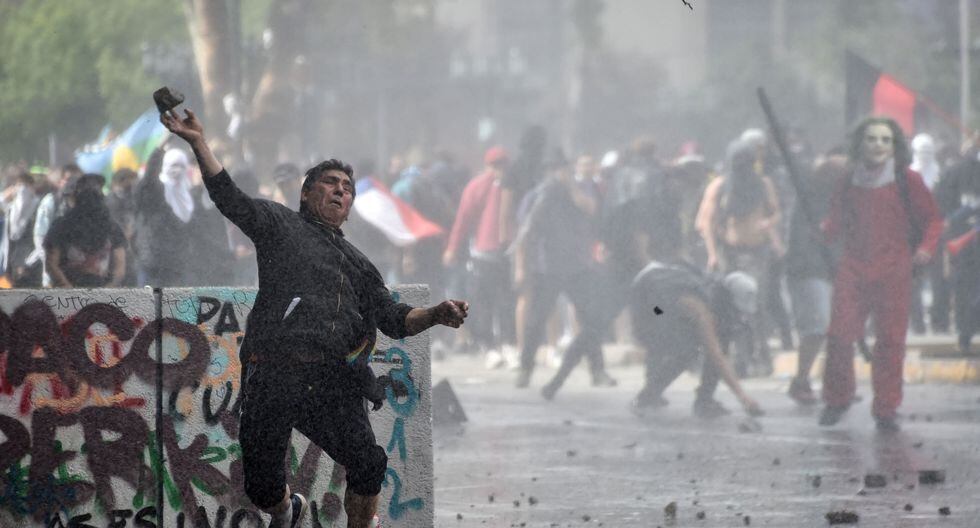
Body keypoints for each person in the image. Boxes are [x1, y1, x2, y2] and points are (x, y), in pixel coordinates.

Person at [161, 107, 468, 528]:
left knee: (368, 463)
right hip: (273, 373)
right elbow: (229, 198)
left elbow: (394, 319)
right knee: (263, 488)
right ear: (306, 193)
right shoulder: (280, 224)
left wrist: (435, 314)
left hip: (333, 380)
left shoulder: (359, 264)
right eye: (330, 183)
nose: (341, 192)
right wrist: (198, 142)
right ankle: (287, 512)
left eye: (348, 189)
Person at [818, 116, 943, 432]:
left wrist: (925, 249)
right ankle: (837, 398)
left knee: (890, 341)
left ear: (894, 146)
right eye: (872, 139)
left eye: (885, 140)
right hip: (853, 268)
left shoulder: (907, 179)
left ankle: (886, 408)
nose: (878, 145)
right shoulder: (848, 180)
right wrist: (823, 231)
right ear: (860, 143)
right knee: (839, 335)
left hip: (894, 271)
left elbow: (933, 221)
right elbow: (835, 220)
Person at [510, 150, 615, 389]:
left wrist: (570, 187)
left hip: (578, 266)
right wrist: (520, 267)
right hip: (548, 267)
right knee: (536, 321)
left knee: (590, 318)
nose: (556, 175)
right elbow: (524, 233)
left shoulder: (577, 192)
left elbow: (591, 209)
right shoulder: (537, 195)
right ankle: (525, 369)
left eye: (560, 169)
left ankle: (597, 371)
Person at [629, 260, 764, 419]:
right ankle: (647, 396)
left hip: (667, 295)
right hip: (650, 304)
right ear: (727, 300)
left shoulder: (715, 293)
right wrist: (743, 397)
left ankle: (704, 399)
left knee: (720, 335)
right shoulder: (701, 308)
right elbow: (716, 354)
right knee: (685, 350)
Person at [695, 138, 783, 377]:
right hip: (729, 255)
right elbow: (706, 223)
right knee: (732, 307)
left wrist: (768, 223)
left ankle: (760, 357)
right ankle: (737, 358)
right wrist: (713, 254)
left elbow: (775, 212)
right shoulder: (720, 186)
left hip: (757, 254)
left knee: (756, 305)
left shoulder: (763, 185)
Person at [784, 155, 843, 405]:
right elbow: (801, 238)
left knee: (836, 330)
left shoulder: (839, 200)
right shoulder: (808, 199)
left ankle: (836, 384)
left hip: (832, 270)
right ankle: (801, 380)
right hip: (809, 271)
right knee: (817, 327)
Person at [44, 175, 127, 288]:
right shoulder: (113, 227)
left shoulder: (61, 225)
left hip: (66, 298)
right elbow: (120, 268)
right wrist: (107, 292)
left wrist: (68, 290)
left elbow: (52, 264)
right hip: (102, 296)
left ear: (75, 198)